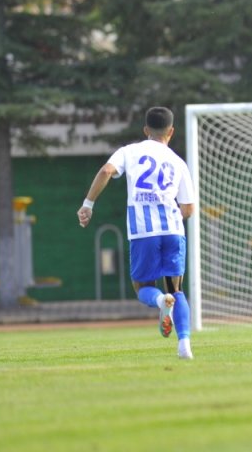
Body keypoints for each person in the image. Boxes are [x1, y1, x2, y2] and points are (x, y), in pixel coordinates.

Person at [78, 107, 197, 360]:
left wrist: (88, 204)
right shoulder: (178, 161)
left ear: (145, 130)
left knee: (142, 286)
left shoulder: (129, 151)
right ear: (171, 132)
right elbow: (188, 209)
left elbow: (106, 171)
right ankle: (184, 344)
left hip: (144, 230)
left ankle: (159, 301)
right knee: (178, 289)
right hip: (174, 231)